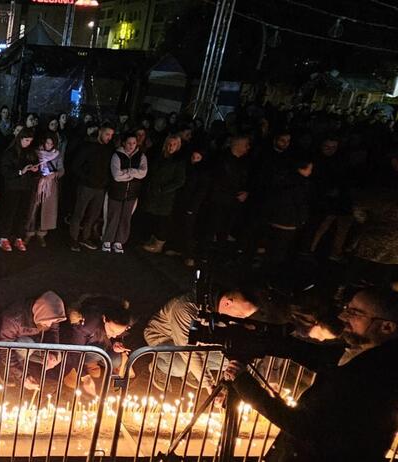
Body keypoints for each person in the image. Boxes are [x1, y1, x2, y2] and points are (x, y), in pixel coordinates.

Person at [222, 287, 398, 462]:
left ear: (387, 326)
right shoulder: (367, 355)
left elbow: (304, 426)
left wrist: (244, 383)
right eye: (346, 309)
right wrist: (261, 342)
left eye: (355, 313)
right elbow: (311, 355)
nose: (343, 318)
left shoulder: (375, 376)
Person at [142, 289, 260, 392]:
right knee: (180, 366)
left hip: (196, 341)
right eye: (240, 316)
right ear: (228, 303)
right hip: (163, 337)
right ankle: (158, 367)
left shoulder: (222, 308)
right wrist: (208, 385)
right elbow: (188, 350)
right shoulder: (186, 308)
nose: (240, 320)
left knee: (228, 360)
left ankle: (193, 371)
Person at [0, 291, 68, 388]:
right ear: (40, 312)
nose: (49, 324)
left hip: (32, 343)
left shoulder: (50, 316)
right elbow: (5, 348)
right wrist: (22, 376)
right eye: (48, 321)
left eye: (53, 321)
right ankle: (5, 369)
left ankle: (29, 368)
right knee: (26, 344)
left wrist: (52, 352)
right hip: (5, 344)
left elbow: (53, 331)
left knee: (57, 356)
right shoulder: (14, 319)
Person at [69, 125, 115, 251]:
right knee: (79, 213)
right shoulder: (87, 147)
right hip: (86, 186)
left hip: (100, 188)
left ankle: (85, 237)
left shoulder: (109, 149)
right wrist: (87, 179)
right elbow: (75, 166)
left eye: (111, 135)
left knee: (93, 215)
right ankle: (73, 238)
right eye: (107, 134)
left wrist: (105, 182)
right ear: (100, 132)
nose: (109, 138)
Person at [102, 132, 148, 254]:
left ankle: (119, 241)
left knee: (125, 218)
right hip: (117, 192)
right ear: (124, 143)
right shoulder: (117, 155)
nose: (131, 146)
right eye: (129, 143)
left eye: (134, 143)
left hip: (131, 194)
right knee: (113, 216)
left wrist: (127, 171)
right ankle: (107, 239)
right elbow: (116, 175)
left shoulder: (141, 156)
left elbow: (143, 173)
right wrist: (133, 174)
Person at [140, 135, 187, 254]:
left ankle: (159, 244)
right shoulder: (159, 156)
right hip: (153, 192)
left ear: (178, 146)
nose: (171, 147)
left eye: (174, 145)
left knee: (162, 220)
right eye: (169, 144)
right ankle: (152, 239)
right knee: (153, 217)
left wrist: (163, 189)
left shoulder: (178, 161)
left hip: (165, 196)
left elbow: (180, 180)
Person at [26, 133, 64, 247]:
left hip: (50, 185)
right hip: (37, 183)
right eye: (48, 143)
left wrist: (55, 174)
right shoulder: (37, 153)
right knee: (33, 207)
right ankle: (28, 233)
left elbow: (62, 170)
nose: (49, 145)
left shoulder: (57, 155)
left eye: (52, 143)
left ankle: (42, 234)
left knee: (46, 210)